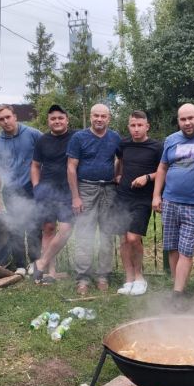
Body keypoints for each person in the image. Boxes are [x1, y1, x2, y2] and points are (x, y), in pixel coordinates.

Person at [152, 103, 194, 303]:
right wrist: (157, 196)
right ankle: (178, 289)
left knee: (186, 250)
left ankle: (177, 294)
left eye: (191, 118)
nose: (187, 123)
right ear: (178, 121)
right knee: (172, 248)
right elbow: (163, 167)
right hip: (171, 201)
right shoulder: (171, 140)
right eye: (182, 119)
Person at [66, 103, 122, 295]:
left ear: (109, 118)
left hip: (108, 188)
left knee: (107, 233)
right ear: (90, 117)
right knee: (84, 233)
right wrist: (75, 197)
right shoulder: (79, 137)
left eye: (103, 116)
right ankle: (83, 276)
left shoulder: (115, 138)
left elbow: (120, 159)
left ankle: (103, 274)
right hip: (86, 188)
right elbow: (71, 167)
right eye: (96, 115)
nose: (99, 119)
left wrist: (117, 175)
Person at [115, 110, 163, 296]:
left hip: (142, 199)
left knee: (134, 238)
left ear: (147, 126)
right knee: (123, 239)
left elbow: (163, 170)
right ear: (129, 127)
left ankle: (139, 276)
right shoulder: (123, 144)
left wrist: (147, 177)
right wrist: (117, 174)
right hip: (122, 197)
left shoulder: (156, 147)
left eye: (139, 125)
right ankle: (128, 278)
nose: (136, 129)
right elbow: (120, 161)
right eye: (133, 125)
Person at [0, 104, 43, 275]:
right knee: (15, 227)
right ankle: (20, 264)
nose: (5, 121)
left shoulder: (33, 134)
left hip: (32, 187)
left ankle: (35, 262)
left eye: (8, 117)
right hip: (11, 189)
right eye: (1, 119)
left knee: (34, 226)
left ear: (15, 116)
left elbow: (47, 156)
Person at [31, 104, 76, 284]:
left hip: (68, 191)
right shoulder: (42, 140)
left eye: (60, 118)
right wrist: (36, 187)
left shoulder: (76, 137)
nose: (57, 121)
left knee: (65, 229)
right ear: (48, 121)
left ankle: (41, 263)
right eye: (53, 119)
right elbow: (34, 165)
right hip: (47, 191)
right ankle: (51, 272)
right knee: (48, 229)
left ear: (66, 120)